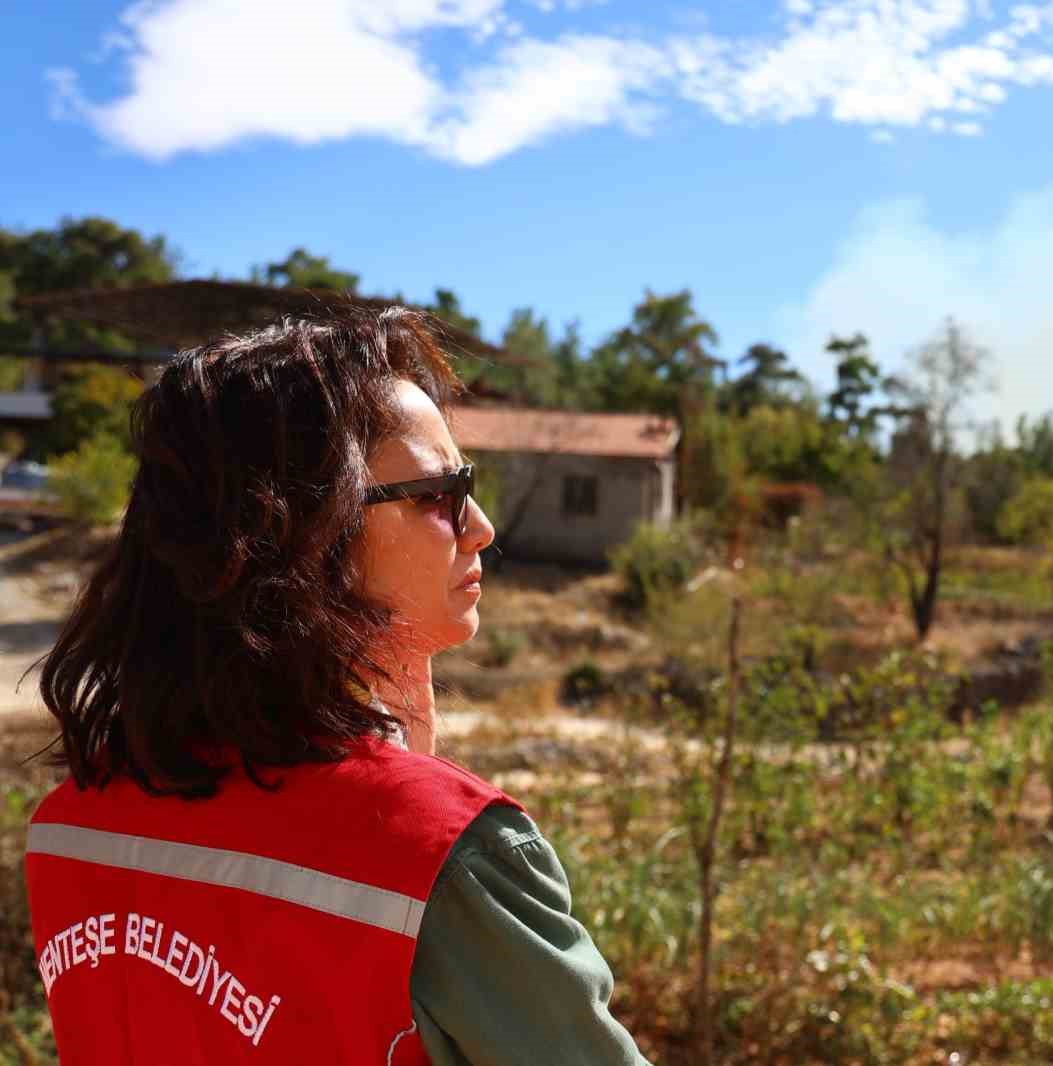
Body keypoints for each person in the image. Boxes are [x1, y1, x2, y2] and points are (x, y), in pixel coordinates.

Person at [24, 308, 653, 1065]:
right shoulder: (447, 858)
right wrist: (412, 792)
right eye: (439, 494)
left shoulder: (69, 828)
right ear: (301, 530)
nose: (481, 526)